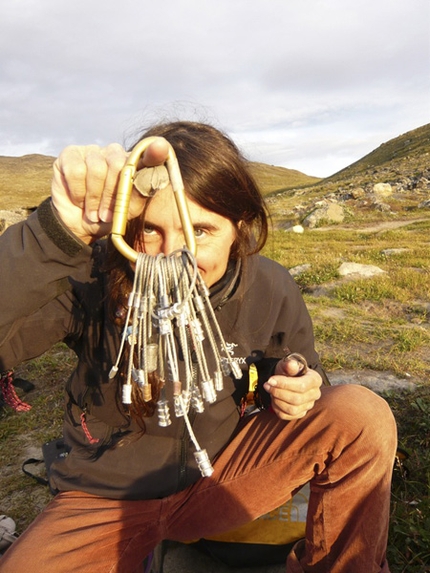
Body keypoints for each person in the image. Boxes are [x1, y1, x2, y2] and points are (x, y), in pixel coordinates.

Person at [0, 121, 396, 573]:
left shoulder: (268, 284)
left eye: (201, 231)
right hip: (104, 498)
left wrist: (293, 381)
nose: (175, 257)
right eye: (150, 230)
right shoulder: (92, 278)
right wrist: (51, 237)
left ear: (239, 227)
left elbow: (307, 372)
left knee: (361, 415)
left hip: (221, 476)